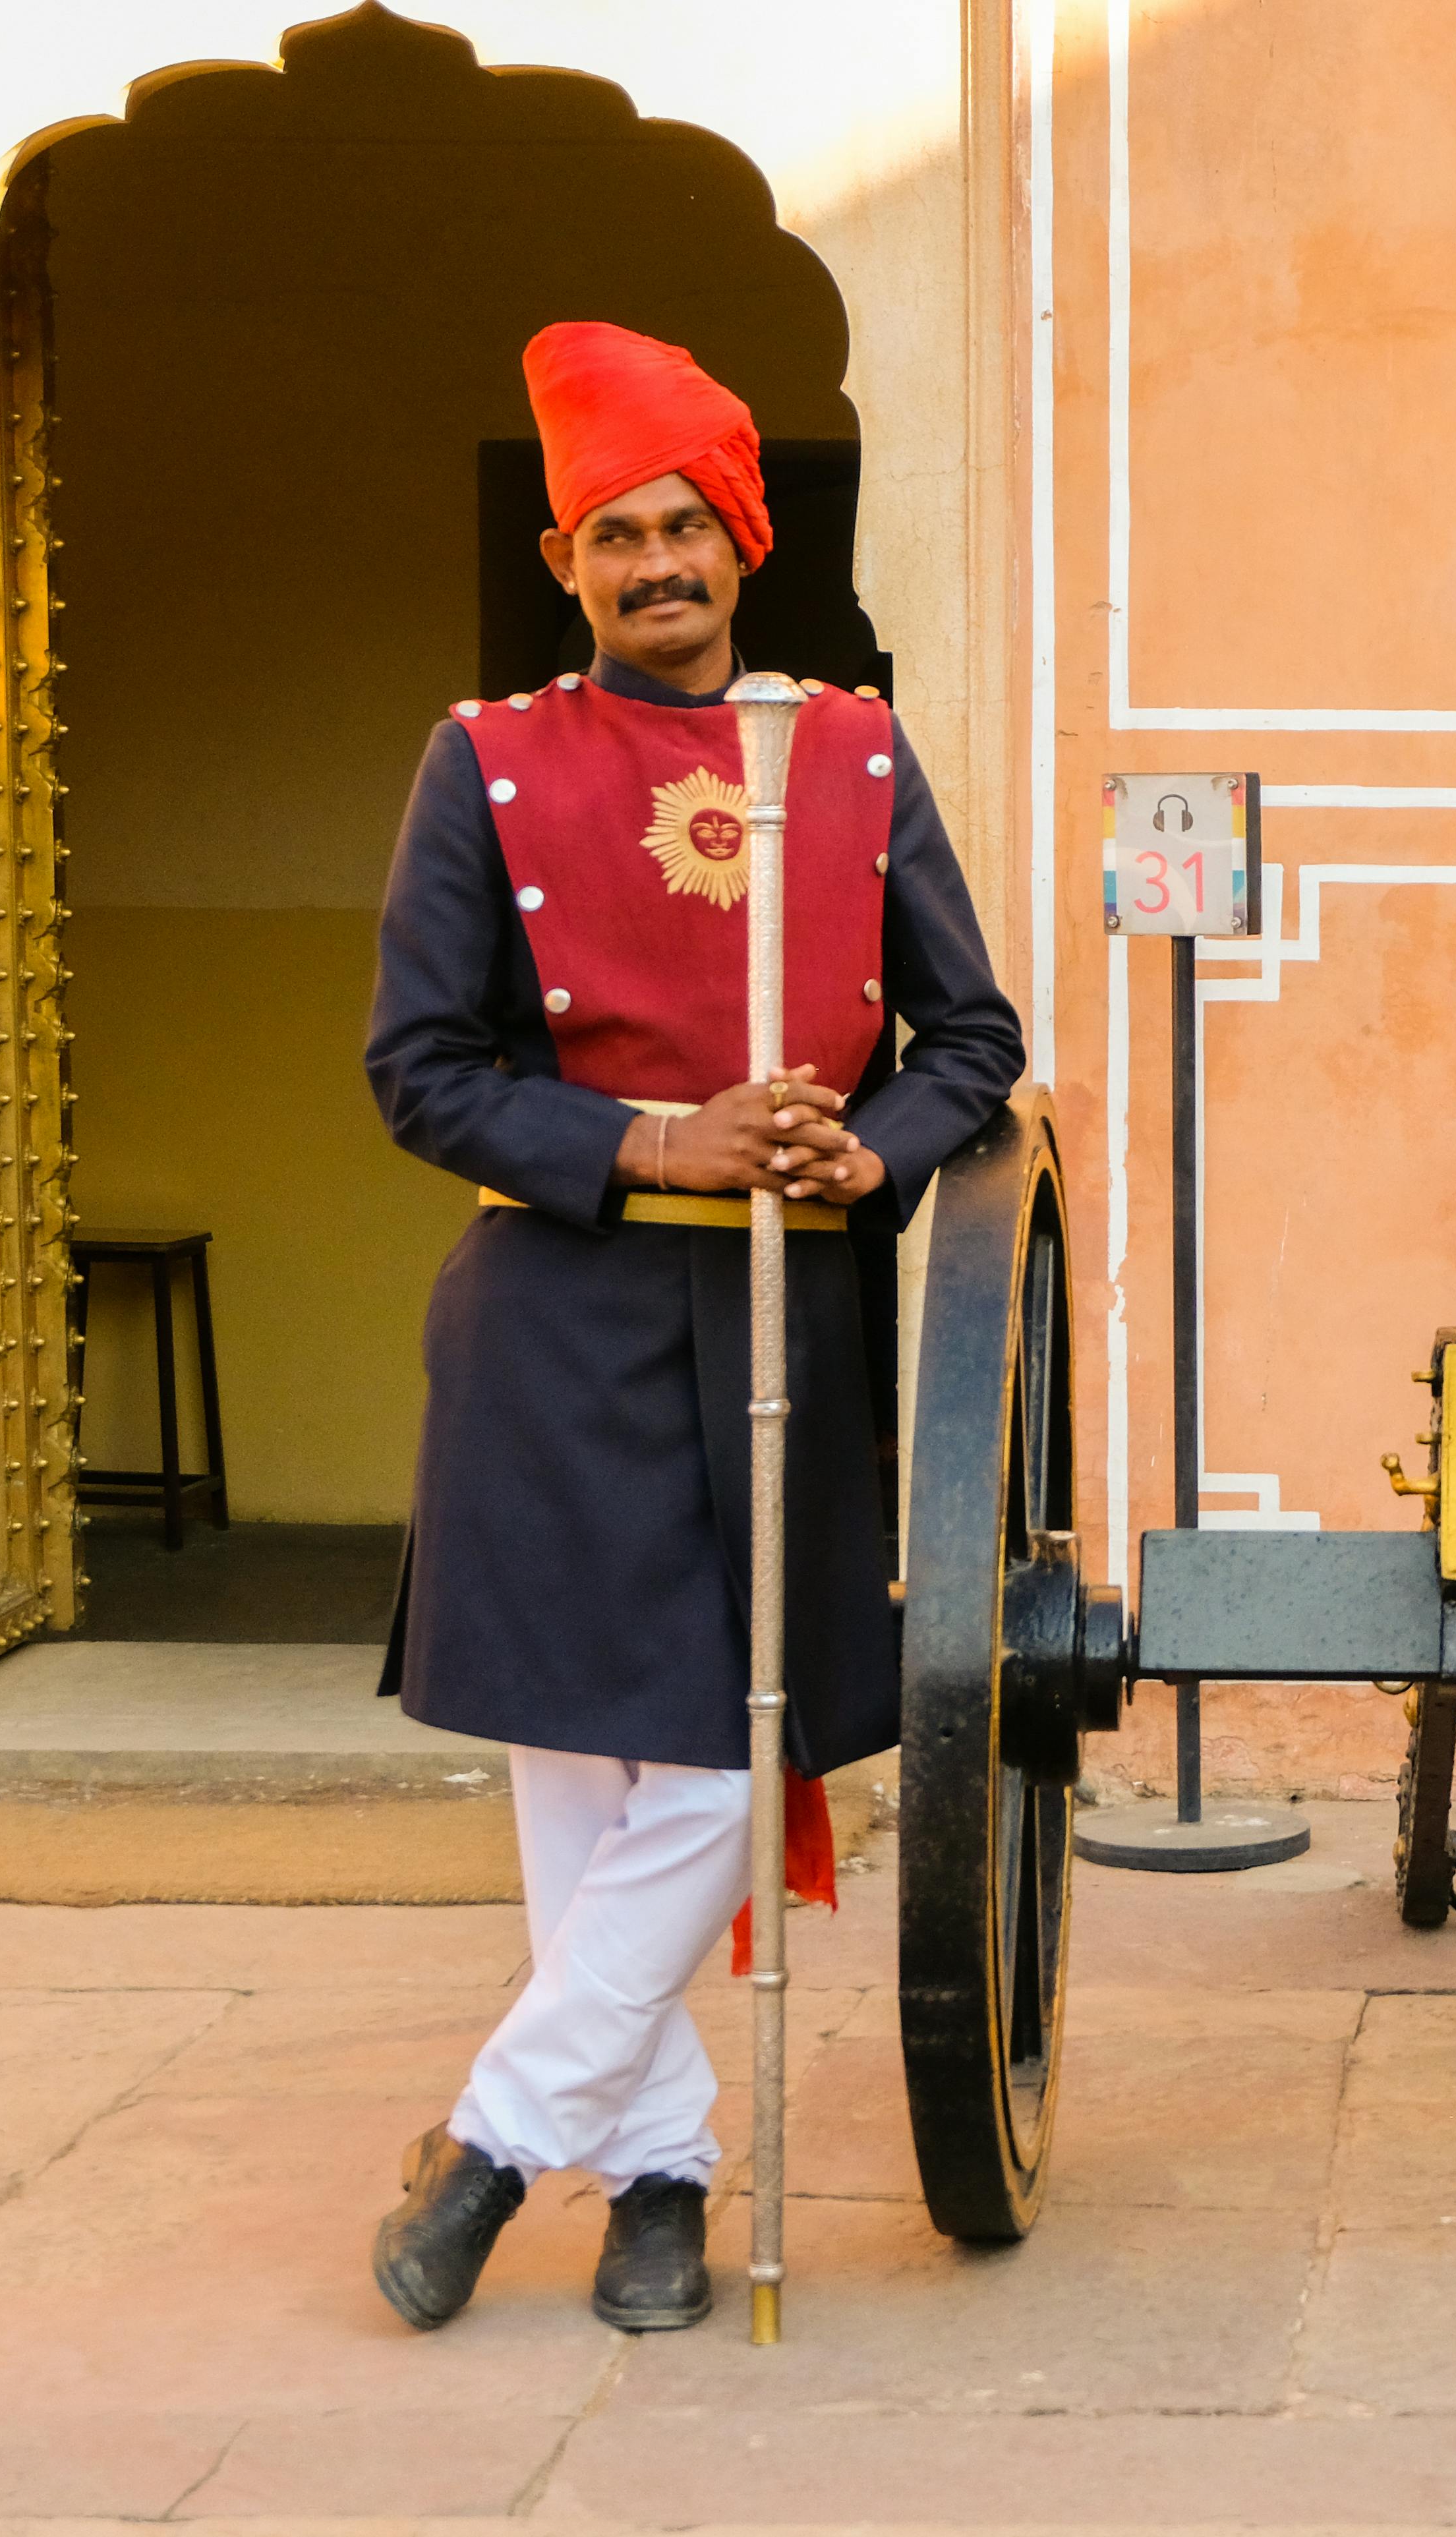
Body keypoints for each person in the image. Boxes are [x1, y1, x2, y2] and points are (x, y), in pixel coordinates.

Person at [361, 322, 1025, 2333]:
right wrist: (659, 1134)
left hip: (778, 1323)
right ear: (568, 561)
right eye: (612, 535)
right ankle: (658, 2179)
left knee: (728, 1765)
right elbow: (419, 1073)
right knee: (578, 1770)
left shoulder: (858, 755)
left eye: (687, 528)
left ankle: (489, 2139)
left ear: (745, 543)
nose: (657, 565)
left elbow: (971, 1045)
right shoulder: (481, 763)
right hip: (553, 1313)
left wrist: (862, 1157)